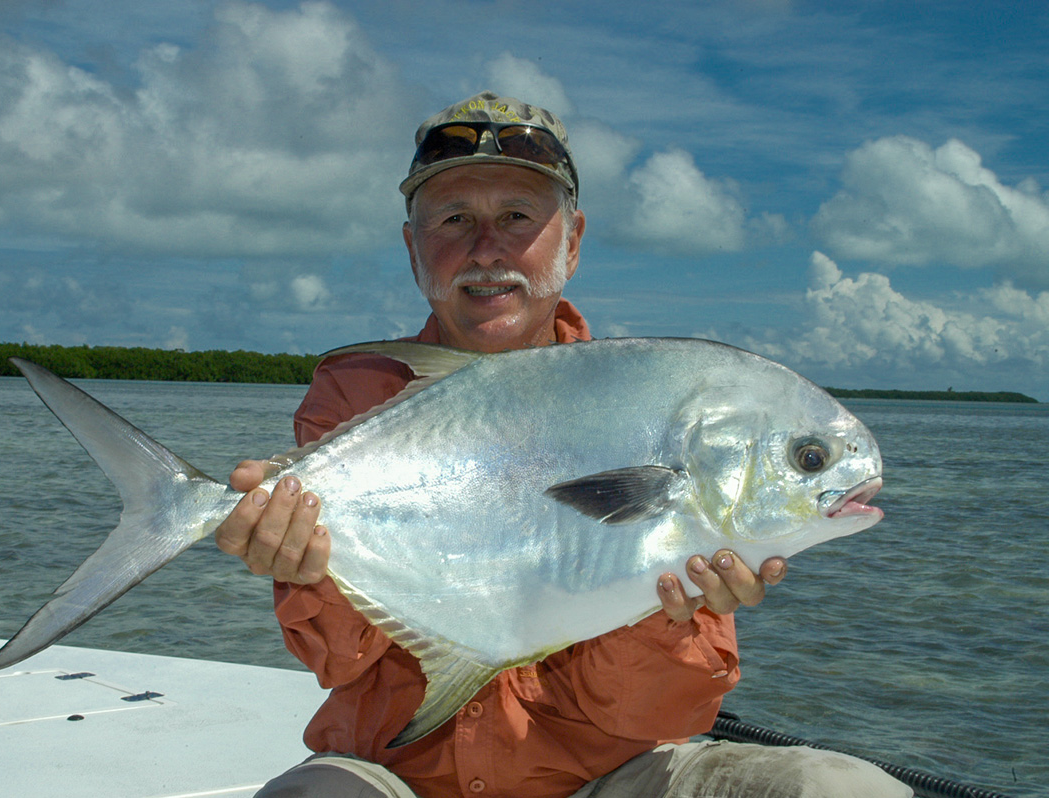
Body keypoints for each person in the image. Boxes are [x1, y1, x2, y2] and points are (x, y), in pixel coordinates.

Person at [215, 92, 911, 798]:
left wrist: (667, 616)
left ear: (572, 241)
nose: (486, 250)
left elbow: (667, 712)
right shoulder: (361, 395)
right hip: (396, 777)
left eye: (517, 217)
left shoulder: (653, 404)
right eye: (455, 219)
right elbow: (338, 661)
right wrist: (301, 567)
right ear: (412, 247)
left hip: (607, 780)